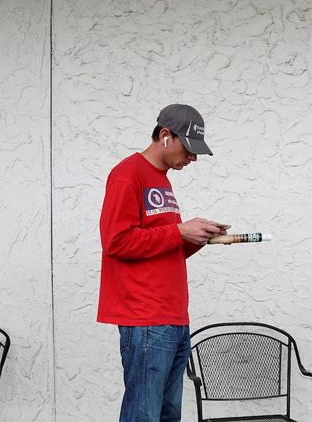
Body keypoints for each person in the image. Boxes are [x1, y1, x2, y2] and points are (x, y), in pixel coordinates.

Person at [97, 104, 226, 422]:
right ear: (165, 136)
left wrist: (196, 239)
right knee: (144, 415)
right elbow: (116, 241)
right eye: (189, 149)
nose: (193, 159)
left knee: (168, 415)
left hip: (173, 318)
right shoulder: (127, 175)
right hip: (145, 318)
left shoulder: (162, 179)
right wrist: (180, 230)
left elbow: (161, 246)